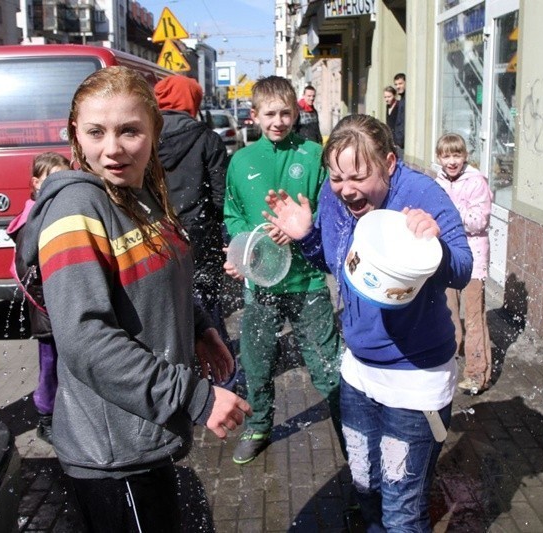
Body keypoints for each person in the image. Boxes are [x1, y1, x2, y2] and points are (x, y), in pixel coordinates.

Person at [18, 66, 251, 532]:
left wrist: (201, 327)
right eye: (95, 132)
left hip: (144, 430)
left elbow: (168, 273)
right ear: (75, 136)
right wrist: (195, 398)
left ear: (154, 131)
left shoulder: (134, 193)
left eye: (130, 131)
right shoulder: (76, 209)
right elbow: (85, 340)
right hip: (113, 451)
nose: (113, 148)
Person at [263, 114, 473, 531]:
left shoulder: (421, 194)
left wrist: (434, 246)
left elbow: (463, 268)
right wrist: (306, 236)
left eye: (358, 176)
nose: (346, 189)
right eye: (337, 177)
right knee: (365, 485)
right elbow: (340, 264)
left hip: (416, 378)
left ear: (390, 163)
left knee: (402, 510)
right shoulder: (333, 195)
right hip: (359, 371)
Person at [223, 75, 343, 466]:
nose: (278, 121)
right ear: (254, 115)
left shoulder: (312, 154)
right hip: (261, 284)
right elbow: (233, 214)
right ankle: (259, 426)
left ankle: (350, 425)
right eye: (270, 113)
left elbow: (330, 208)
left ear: (296, 112)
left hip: (307, 281)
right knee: (256, 360)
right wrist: (250, 242)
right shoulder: (240, 161)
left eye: (285, 112)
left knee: (328, 362)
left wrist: (301, 229)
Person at [154, 74, 234, 377]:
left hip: (156, 236)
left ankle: (175, 376)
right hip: (200, 237)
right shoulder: (206, 138)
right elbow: (220, 195)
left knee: (166, 309)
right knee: (207, 310)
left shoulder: (145, 138)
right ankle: (219, 378)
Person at [6, 151, 69, 444]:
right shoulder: (31, 219)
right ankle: (45, 418)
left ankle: (67, 414)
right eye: (50, 178)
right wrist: (51, 305)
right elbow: (26, 273)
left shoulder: (61, 210)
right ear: (35, 182)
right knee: (50, 367)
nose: (58, 184)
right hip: (48, 311)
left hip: (63, 308)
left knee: (67, 365)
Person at [435, 133, 494, 394]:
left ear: (465, 156)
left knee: (473, 318)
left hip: (473, 258)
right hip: (446, 257)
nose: (452, 161)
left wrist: (449, 215)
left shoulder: (476, 181)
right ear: (439, 158)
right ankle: (448, 362)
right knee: (447, 313)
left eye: (456, 155)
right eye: (446, 156)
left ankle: (477, 373)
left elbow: (479, 221)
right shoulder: (437, 182)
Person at [392, 73, 406, 152]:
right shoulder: (401, 99)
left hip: (402, 143)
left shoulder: (407, 99)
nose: (398, 86)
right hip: (399, 143)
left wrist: (399, 141)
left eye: (400, 83)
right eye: (396, 84)